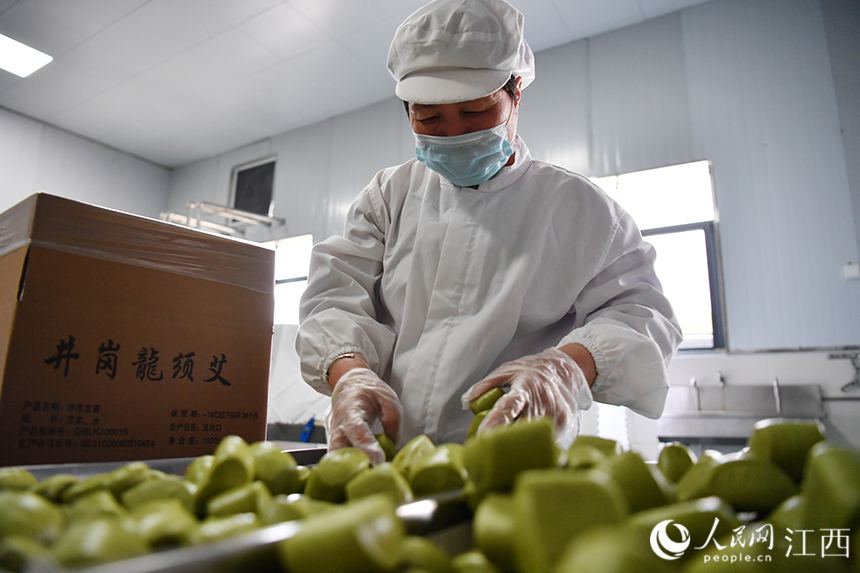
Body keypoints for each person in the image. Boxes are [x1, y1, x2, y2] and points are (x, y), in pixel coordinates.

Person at [295, 0, 683, 465]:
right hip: (385, 456)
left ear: (516, 92)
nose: (454, 133)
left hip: (517, 461)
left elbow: (642, 314)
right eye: (430, 118)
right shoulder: (388, 197)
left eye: (476, 111)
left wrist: (564, 369)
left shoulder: (581, 210)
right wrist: (348, 373)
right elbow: (336, 298)